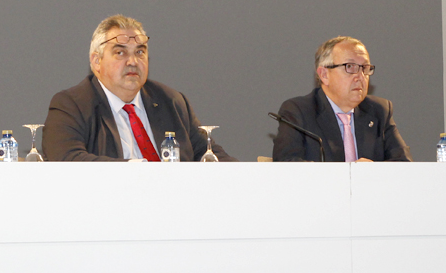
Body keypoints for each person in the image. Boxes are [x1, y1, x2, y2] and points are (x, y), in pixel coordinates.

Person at [43, 15, 235, 162]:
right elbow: (67, 161)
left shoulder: (172, 102)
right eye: (120, 52)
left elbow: (209, 155)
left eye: (140, 52)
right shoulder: (71, 105)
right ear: (96, 61)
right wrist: (138, 173)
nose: (133, 62)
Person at [272, 36, 412, 162]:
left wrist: (373, 172)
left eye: (365, 68)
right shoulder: (298, 111)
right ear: (324, 75)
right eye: (350, 67)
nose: (360, 76)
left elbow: (404, 165)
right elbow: (287, 164)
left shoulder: (379, 111)